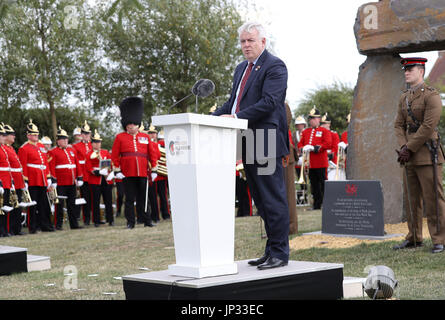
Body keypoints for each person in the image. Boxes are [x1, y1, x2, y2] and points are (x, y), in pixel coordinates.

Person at [212, 21, 290, 270]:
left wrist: (234, 118)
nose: (246, 45)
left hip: (265, 140)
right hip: (245, 140)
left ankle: (280, 252)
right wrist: (211, 117)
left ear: (263, 42)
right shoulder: (240, 69)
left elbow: (269, 102)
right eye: (243, 41)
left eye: (251, 41)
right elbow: (232, 104)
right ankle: (270, 251)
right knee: (260, 198)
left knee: (272, 198)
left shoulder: (274, 66)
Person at [394, 57, 445, 254]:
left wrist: (409, 147)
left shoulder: (431, 95)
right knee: (411, 199)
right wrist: (403, 147)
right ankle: (414, 237)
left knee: (433, 198)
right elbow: (398, 125)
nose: (406, 72)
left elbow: (428, 126)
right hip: (408, 156)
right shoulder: (404, 97)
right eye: (405, 70)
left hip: (427, 154)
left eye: (410, 69)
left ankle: (439, 239)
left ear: (421, 71)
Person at [111, 97, 160, 229]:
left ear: (137, 124)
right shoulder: (120, 137)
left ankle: (146, 220)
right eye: (129, 124)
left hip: (143, 172)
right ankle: (130, 222)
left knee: (143, 198)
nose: (131, 126)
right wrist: (117, 171)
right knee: (129, 199)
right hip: (127, 172)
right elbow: (115, 155)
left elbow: (152, 154)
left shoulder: (144, 137)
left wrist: (154, 170)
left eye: (133, 124)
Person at [18, 120, 55, 233]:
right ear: (28, 135)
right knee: (33, 205)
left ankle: (45, 225)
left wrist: (48, 177)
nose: (36, 136)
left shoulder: (40, 146)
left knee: (44, 204)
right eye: (33, 134)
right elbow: (23, 165)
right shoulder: (24, 148)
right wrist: (25, 180)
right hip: (33, 179)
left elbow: (45, 163)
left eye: (37, 134)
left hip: (42, 178)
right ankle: (33, 227)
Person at [48, 126, 83, 230]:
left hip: (72, 181)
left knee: (72, 204)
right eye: (63, 139)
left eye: (66, 138)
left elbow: (77, 165)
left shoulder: (72, 150)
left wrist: (79, 177)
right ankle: (58, 225)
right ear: (58, 141)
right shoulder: (53, 152)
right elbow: (51, 167)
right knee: (59, 205)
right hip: (61, 182)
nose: (65, 140)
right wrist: (54, 180)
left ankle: (74, 224)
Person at [297, 107, 332, 210]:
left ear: (319, 119)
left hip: (320, 162)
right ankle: (316, 204)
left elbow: (328, 143)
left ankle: (327, 203)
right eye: (311, 119)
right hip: (310, 163)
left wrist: (314, 147)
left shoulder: (324, 131)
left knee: (323, 184)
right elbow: (300, 143)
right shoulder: (306, 132)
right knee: (314, 185)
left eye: (314, 118)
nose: (312, 120)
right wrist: (303, 148)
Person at [86, 130, 114, 227]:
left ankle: (111, 220)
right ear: (92, 143)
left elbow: (110, 163)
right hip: (95, 179)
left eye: (99, 142)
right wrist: (97, 172)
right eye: (95, 142)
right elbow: (88, 167)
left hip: (106, 179)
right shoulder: (89, 153)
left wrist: (110, 171)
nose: (97, 144)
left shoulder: (105, 152)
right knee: (95, 201)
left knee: (108, 200)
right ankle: (96, 221)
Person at [3, 124, 27, 235]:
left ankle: (17, 228)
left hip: (16, 180)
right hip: (9, 180)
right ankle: (10, 229)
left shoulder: (11, 148)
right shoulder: (4, 148)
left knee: (17, 206)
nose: (14, 137)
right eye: (11, 135)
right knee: (10, 206)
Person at [72, 121, 92, 225]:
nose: (86, 136)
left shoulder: (94, 145)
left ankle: (96, 217)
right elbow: (75, 162)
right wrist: (77, 176)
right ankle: (86, 218)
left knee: (95, 198)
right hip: (83, 175)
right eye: (84, 134)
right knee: (85, 198)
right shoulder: (76, 146)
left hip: (93, 175)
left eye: (88, 134)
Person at [0, 125, 12, 237]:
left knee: (5, 207)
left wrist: (11, 182)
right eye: (2, 136)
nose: (4, 137)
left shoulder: (3, 148)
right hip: (1, 181)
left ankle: (4, 230)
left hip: (6, 181)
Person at [320, 113, 340, 180]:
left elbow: (335, 147)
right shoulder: (319, 134)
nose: (323, 125)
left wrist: (330, 154)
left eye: (325, 124)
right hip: (321, 158)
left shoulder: (333, 134)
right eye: (322, 124)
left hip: (331, 159)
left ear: (329, 124)